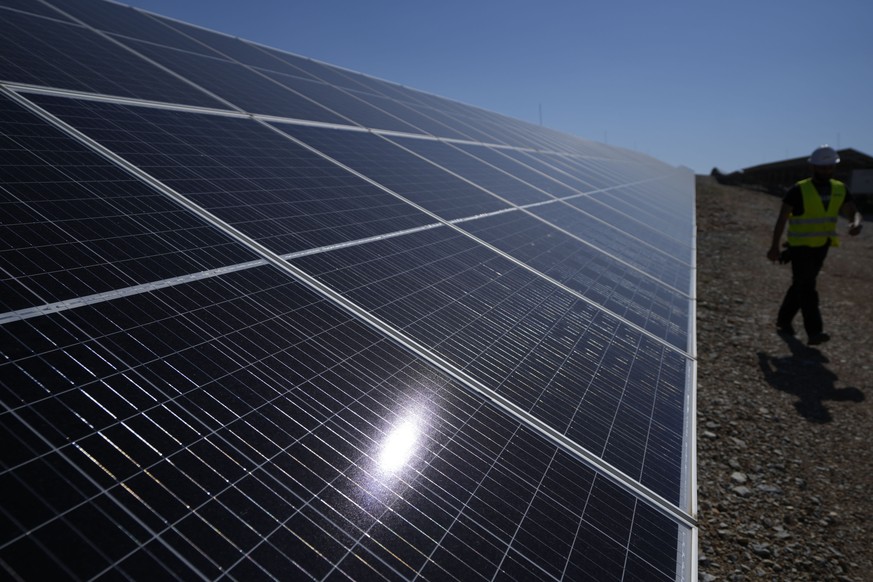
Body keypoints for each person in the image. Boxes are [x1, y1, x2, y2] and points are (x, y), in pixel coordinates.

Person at [767, 145, 863, 345]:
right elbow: (781, 218)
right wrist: (774, 246)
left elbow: (853, 211)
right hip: (799, 247)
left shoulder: (839, 188)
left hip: (822, 246)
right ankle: (814, 331)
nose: (826, 170)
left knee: (800, 285)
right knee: (808, 287)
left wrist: (856, 223)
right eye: (822, 167)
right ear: (813, 167)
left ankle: (783, 321)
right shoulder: (798, 190)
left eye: (829, 167)